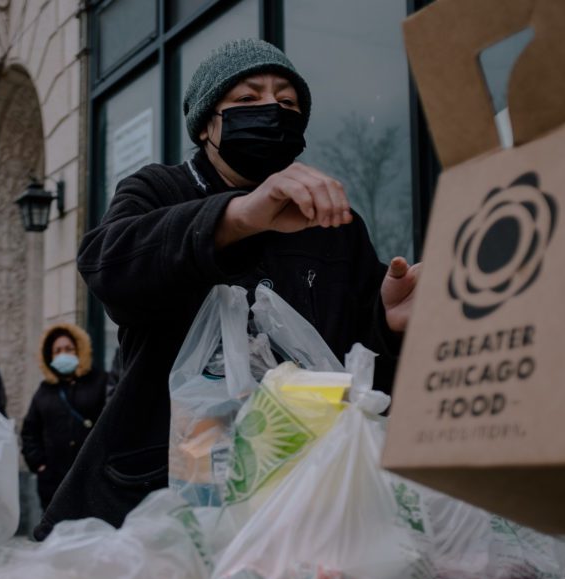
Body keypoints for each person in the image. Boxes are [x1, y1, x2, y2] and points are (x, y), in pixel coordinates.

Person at [35, 39, 420, 539]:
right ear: (205, 124)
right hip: (165, 499)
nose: (271, 110)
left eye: (288, 103)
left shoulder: (335, 224)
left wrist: (386, 323)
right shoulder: (157, 190)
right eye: (246, 100)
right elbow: (109, 269)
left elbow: (359, 371)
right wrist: (235, 217)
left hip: (303, 499)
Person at [21, 324, 108, 510]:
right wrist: (40, 464)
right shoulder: (44, 391)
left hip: (93, 477)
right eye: (57, 350)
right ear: (50, 356)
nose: (63, 354)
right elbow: (30, 431)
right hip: (54, 481)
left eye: (69, 349)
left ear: (80, 351)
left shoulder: (99, 381)